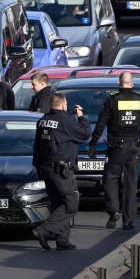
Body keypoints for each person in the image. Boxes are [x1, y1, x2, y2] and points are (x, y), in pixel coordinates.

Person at [88, 71, 140, 232]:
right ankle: (128, 221)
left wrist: (93, 145)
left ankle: (113, 211)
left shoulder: (112, 100)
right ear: (132, 83)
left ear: (119, 83)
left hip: (117, 147)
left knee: (110, 179)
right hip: (134, 147)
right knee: (131, 183)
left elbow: (101, 124)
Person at [32, 93, 89, 250]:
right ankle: (43, 230)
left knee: (58, 203)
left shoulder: (43, 120)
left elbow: (37, 146)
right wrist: (81, 117)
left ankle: (62, 241)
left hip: (45, 168)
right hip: (60, 170)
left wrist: (37, 166)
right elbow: (84, 134)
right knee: (71, 204)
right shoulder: (65, 120)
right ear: (64, 106)